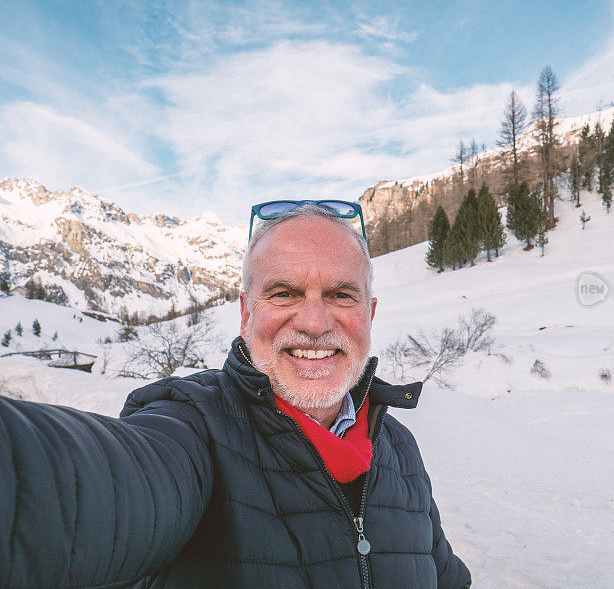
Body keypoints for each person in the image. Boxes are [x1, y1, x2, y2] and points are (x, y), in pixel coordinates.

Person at [0, 201, 471, 589]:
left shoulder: (399, 448)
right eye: (284, 293)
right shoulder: (194, 425)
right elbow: (95, 487)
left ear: (369, 313)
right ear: (246, 312)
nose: (313, 322)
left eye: (340, 295)